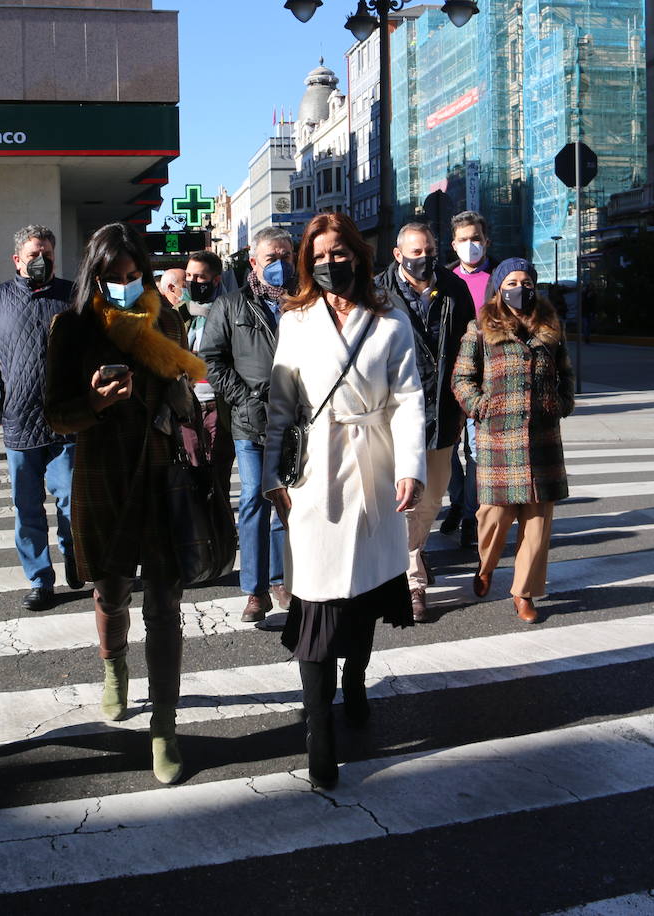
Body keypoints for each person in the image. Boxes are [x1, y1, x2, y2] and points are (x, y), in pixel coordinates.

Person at [262, 212, 426, 790]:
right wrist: (272, 473)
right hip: (315, 471)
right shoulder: (296, 320)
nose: (331, 262)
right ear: (308, 262)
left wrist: (411, 468)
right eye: (321, 254)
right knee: (315, 594)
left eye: (341, 252)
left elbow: (408, 399)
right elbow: (282, 403)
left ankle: (354, 680)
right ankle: (319, 733)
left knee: (362, 590)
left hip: (375, 463)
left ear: (358, 254)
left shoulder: (391, 320)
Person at [44, 222, 204, 785]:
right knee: (110, 590)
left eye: (135, 276)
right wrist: (94, 401)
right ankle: (113, 670)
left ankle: (164, 725)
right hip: (103, 473)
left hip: (161, 473)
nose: (126, 286)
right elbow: (56, 414)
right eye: (114, 278)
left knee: (165, 606)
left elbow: (188, 389)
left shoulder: (168, 318)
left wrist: (176, 396)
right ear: (96, 276)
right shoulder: (73, 327)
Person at [452, 257, 574, 626]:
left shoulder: (551, 326)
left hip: (542, 437)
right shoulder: (480, 328)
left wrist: (563, 402)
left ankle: (524, 592)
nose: (520, 288)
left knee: (537, 522)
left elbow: (566, 372)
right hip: (498, 436)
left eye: (526, 281)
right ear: (499, 288)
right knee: (493, 516)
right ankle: (486, 566)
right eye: (512, 282)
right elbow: (461, 378)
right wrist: (479, 405)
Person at [375, 221, 475, 622]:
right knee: (401, 500)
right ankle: (412, 577)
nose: (424, 258)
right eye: (415, 252)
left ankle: (410, 555)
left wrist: (469, 398)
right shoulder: (377, 292)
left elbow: (471, 344)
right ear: (399, 255)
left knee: (432, 498)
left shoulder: (454, 289)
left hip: (442, 412)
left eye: (429, 250)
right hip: (392, 415)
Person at [0, 225, 79, 612]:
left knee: (71, 499)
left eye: (48, 253)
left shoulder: (73, 296)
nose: (41, 260)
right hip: (19, 423)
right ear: (17, 259)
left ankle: (74, 554)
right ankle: (40, 579)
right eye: (34, 254)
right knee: (28, 507)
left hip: (66, 421)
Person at [200, 226, 296, 623]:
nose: (280, 265)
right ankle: (255, 590)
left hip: (298, 420)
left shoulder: (304, 303)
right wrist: (242, 396)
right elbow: (212, 358)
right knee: (257, 500)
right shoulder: (231, 305)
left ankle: (280, 578)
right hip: (250, 420)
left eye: (286, 257)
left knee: (288, 503)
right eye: (271, 258)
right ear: (253, 261)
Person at [444, 210, 498, 550]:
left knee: (476, 450)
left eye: (475, 239)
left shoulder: (499, 279)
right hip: (449, 378)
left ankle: (469, 515)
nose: (470, 245)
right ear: (453, 244)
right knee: (446, 451)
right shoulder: (445, 279)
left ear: (486, 241)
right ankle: (459, 501)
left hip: (485, 380)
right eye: (464, 240)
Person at [180, 251, 236, 502]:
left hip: (218, 403)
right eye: (189, 275)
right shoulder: (179, 312)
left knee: (218, 475)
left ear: (215, 280)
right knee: (192, 472)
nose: (193, 282)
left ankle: (221, 533)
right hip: (186, 404)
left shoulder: (232, 310)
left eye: (200, 277)